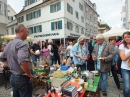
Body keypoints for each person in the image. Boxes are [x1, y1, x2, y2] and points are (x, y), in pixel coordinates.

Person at [0, 24, 33, 97]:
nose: (28, 34)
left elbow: (2, 58)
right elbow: (23, 61)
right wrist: (29, 74)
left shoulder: (9, 44)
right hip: (22, 78)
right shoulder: (22, 44)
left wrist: (12, 66)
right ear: (21, 31)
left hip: (13, 77)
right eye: (27, 32)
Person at [119, 32, 130, 97]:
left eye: (128, 37)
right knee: (127, 87)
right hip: (125, 68)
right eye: (125, 37)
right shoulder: (122, 46)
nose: (127, 38)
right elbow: (123, 58)